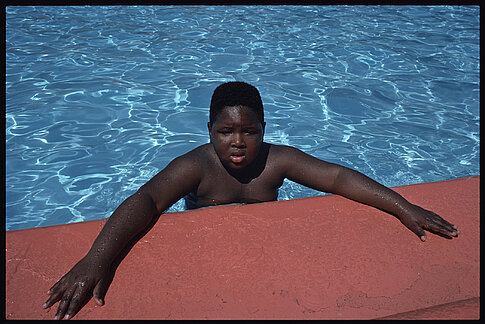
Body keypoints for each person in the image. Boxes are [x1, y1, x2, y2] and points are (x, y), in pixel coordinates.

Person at [42, 81, 459, 320]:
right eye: (226, 132)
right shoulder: (196, 167)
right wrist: (97, 258)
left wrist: (404, 207)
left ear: (264, 129)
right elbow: (148, 199)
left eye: (250, 131)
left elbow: (336, 177)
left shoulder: (277, 161)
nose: (238, 142)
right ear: (209, 131)